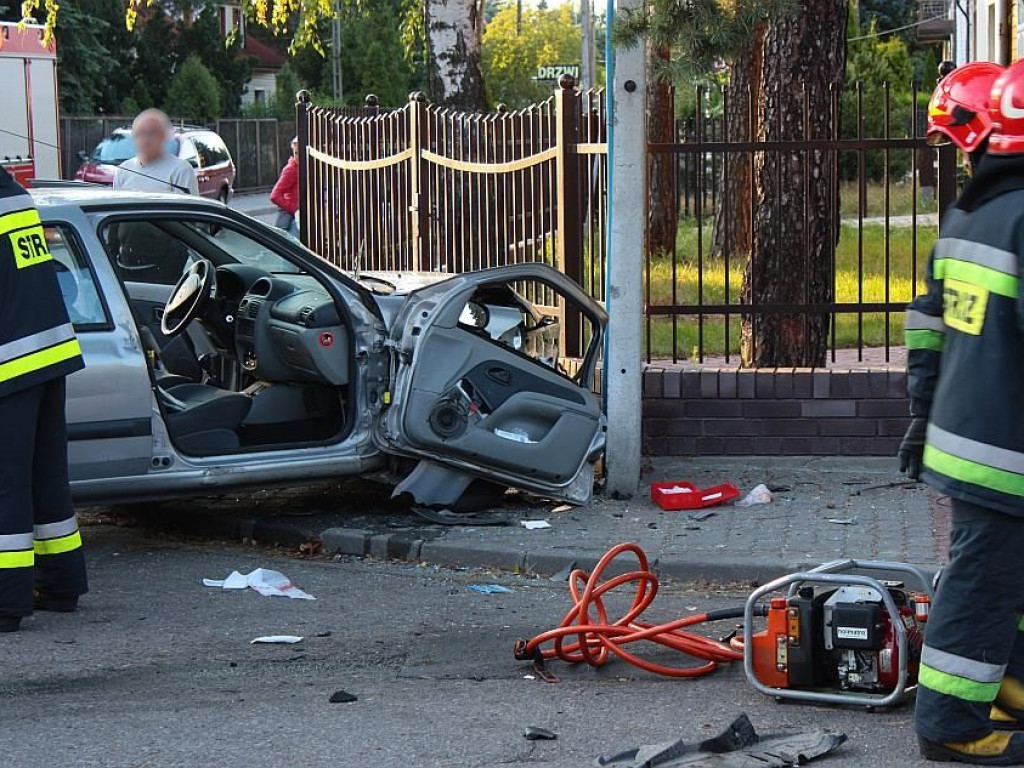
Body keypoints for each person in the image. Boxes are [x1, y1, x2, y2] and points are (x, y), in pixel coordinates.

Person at [902, 59, 1024, 764]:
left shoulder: (971, 213)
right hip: (1004, 452)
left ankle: (1007, 687)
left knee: (1007, 576)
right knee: (984, 582)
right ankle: (949, 725)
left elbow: (929, 324)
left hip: (971, 438)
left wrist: (920, 413)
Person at [0, 167, 88, 633]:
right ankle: (61, 584)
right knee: (45, 475)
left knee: (6, 484)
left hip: (10, 363)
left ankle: (6, 602)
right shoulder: (15, 195)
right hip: (49, 354)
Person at [113, 109, 198, 195]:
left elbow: (189, 207)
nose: (145, 139)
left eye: (151, 133)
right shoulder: (123, 171)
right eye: (140, 133)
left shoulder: (180, 170)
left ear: (163, 136)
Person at [270, 136, 299, 236]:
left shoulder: (305, 168)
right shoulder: (291, 169)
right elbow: (275, 195)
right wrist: (294, 209)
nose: (298, 156)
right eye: (296, 153)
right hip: (292, 220)